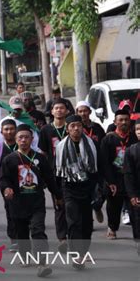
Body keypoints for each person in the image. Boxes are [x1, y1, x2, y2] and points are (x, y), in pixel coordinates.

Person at [0, 124, 63, 278]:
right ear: (16, 139)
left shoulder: (40, 158)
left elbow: (50, 179)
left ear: (32, 139)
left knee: (38, 231)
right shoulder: (10, 159)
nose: (23, 140)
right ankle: (25, 255)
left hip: (36, 203)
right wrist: (6, 189)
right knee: (21, 233)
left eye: (26, 137)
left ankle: (43, 262)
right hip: (17, 203)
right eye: (20, 137)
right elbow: (3, 179)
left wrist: (58, 196)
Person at [55, 115, 98, 270]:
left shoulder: (91, 144)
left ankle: (83, 251)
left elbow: (95, 171)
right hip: (69, 186)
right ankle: (76, 255)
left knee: (87, 223)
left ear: (82, 127)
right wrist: (57, 194)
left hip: (87, 187)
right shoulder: (61, 146)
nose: (76, 129)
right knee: (73, 221)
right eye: (72, 126)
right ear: (67, 129)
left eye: (78, 125)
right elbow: (58, 173)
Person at [100, 109, 138, 240]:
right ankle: (112, 227)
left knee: (135, 206)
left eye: (126, 120)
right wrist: (110, 181)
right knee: (114, 206)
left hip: (132, 178)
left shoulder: (134, 138)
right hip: (114, 179)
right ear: (115, 122)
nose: (124, 122)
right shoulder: (108, 139)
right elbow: (104, 162)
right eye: (120, 120)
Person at [38, 99, 69, 252]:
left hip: (72, 172)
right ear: (52, 111)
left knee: (72, 206)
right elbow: (43, 153)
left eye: (62, 108)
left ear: (67, 111)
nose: (59, 111)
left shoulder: (72, 127)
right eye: (56, 108)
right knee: (60, 205)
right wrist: (43, 175)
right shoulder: (45, 130)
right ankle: (62, 238)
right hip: (54, 173)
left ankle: (74, 235)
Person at [0, 119, 18, 252]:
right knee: (11, 210)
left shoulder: (22, 144)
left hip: (23, 183)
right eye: (6, 129)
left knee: (24, 210)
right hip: (5, 183)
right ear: (1, 132)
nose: (9, 132)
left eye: (12, 129)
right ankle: (14, 239)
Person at [76, 101, 106, 223]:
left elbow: (104, 145)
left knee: (102, 191)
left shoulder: (97, 128)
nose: (83, 113)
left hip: (97, 165)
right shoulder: (75, 128)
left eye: (85, 110)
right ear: (77, 112)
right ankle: (88, 221)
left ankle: (97, 207)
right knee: (84, 194)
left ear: (89, 111)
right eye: (80, 111)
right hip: (81, 167)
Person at [123, 118, 140, 255]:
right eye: (138, 129)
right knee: (137, 218)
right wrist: (132, 195)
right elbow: (128, 174)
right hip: (137, 191)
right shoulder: (131, 151)